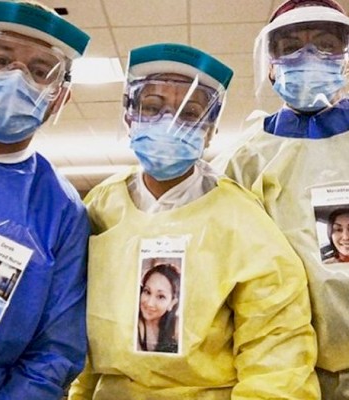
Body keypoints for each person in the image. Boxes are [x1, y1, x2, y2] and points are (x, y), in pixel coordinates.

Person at [68, 43, 319, 399]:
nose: (168, 122)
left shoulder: (243, 222)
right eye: (152, 108)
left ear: (211, 129)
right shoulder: (101, 208)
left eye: (190, 114)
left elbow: (277, 356)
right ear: (129, 115)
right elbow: (80, 345)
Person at [210, 1, 349, 397]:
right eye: (290, 47)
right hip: (278, 376)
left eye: (325, 45)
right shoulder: (242, 161)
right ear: (270, 63)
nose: (308, 57)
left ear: (345, 59)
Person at [0, 0, 91, 398]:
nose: (16, 78)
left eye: (37, 71)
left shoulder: (62, 212)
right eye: (1, 58)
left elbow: (54, 352)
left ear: (59, 98)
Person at [137, 264, 179, 353]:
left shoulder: (177, 326)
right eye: (147, 292)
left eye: (160, 296)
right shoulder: (135, 326)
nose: (149, 303)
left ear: (172, 303)